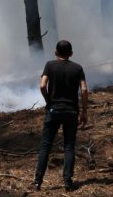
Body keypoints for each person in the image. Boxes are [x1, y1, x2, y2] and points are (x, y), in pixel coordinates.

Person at [32, 40, 88, 191]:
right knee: (69, 146)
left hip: (53, 110)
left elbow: (42, 85)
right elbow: (83, 90)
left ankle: (38, 182)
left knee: (46, 146)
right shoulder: (78, 68)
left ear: (56, 52)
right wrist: (84, 112)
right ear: (71, 54)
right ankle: (68, 182)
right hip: (71, 111)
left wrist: (48, 100)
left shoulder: (49, 65)